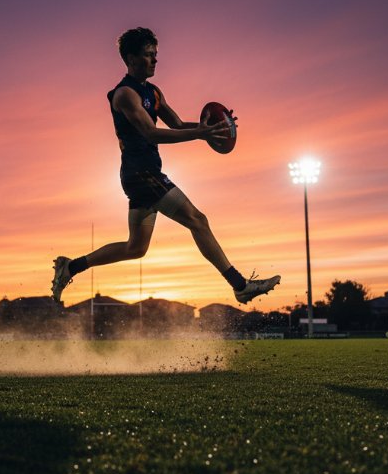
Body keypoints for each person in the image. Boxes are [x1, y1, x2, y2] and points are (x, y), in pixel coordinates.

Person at [51, 27, 280, 305]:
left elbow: (178, 125)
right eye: (148, 55)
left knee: (136, 248)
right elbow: (151, 133)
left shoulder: (153, 92)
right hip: (141, 174)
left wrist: (213, 127)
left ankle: (70, 267)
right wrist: (200, 135)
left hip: (144, 175)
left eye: (156, 54)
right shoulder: (125, 94)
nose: (155, 60)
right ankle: (240, 285)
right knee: (198, 220)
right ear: (131, 58)